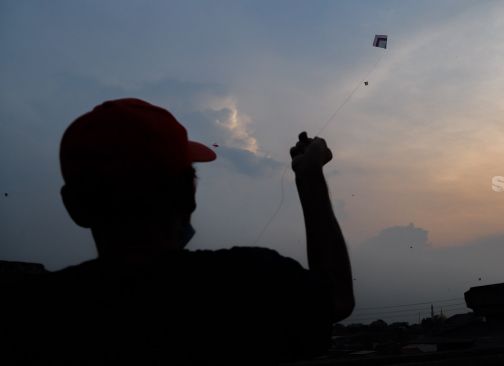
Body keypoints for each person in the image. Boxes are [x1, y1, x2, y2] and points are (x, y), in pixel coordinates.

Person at [6, 98, 354, 365]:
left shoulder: (32, 315)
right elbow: (336, 298)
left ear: (75, 206)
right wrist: (309, 175)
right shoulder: (247, 282)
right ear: (189, 195)